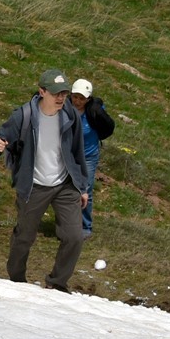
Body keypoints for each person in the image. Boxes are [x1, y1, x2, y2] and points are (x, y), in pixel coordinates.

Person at [0, 68, 89, 293]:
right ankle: (16, 280)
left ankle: (57, 283)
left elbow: (77, 152)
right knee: (24, 236)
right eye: (56, 93)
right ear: (42, 91)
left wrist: (82, 187)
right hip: (34, 184)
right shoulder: (24, 116)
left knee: (74, 236)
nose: (61, 97)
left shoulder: (70, 115)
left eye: (64, 92)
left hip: (65, 184)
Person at [68, 78, 116, 237]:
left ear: (88, 99)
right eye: (75, 96)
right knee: (65, 189)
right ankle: (67, 224)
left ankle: (85, 227)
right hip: (68, 155)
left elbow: (108, 127)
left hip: (88, 156)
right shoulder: (65, 107)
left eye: (82, 98)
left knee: (85, 189)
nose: (77, 101)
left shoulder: (95, 111)